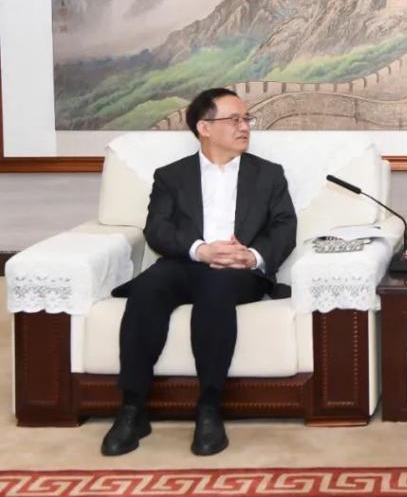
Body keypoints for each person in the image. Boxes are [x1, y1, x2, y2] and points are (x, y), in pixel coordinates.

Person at [101, 88, 296, 457]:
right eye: (234, 120)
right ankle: (132, 409)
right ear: (204, 128)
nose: (245, 127)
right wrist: (200, 249)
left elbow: (284, 226)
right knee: (147, 289)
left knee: (215, 288)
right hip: (185, 262)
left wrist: (251, 257)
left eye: (247, 119)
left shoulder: (267, 174)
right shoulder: (171, 176)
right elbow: (157, 230)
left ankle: (209, 408)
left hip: (237, 270)